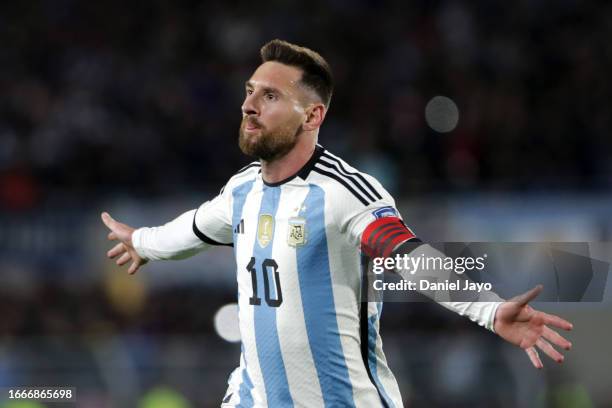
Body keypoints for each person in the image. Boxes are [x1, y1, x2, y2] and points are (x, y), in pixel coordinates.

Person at [101, 39, 573, 407]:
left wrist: (488, 310)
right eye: (249, 92)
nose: (249, 105)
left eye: (269, 96)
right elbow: (191, 228)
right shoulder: (242, 190)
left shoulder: (343, 193)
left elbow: (408, 255)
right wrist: (143, 241)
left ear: (312, 115)